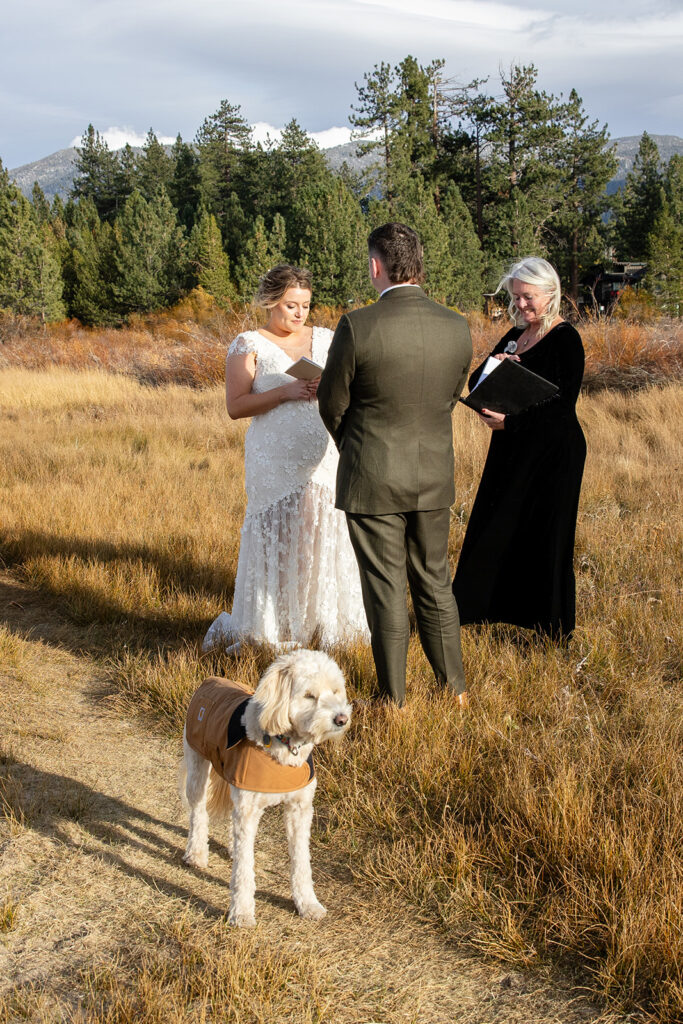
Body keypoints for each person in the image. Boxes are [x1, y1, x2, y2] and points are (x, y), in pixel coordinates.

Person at [318, 223, 473, 707]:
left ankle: (395, 700)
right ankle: (456, 690)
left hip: (373, 476)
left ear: (375, 266)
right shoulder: (457, 325)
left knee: (385, 588)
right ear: (419, 264)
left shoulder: (357, 325)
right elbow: (450, 397)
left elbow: (330, 403)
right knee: (434, 580)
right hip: (432, 474)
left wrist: (360, 448)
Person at [202, 264, 368, 652]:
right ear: (271, 302)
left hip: (324, 455)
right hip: (273, 458)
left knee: (319, 533)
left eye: (306, 305)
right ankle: (274, 625)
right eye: (291, 305)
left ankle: (322, 622)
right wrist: (286, 392)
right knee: (278, 536)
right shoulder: (248, 343)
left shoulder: (327, 338)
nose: (299, 314)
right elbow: (236, 405)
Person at [452, 256, 586, 640]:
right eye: (517, 298)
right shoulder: (515, 334)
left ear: (550, 293)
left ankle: (550, 629)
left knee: (545, 533)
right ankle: (479, 612)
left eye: (529, 298)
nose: (522, 305)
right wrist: (497, 362)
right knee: (496, 525)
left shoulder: (565, 339)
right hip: (511, 448)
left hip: (552, 453)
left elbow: (562, 407)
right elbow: (476, 381)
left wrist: (510, 423)